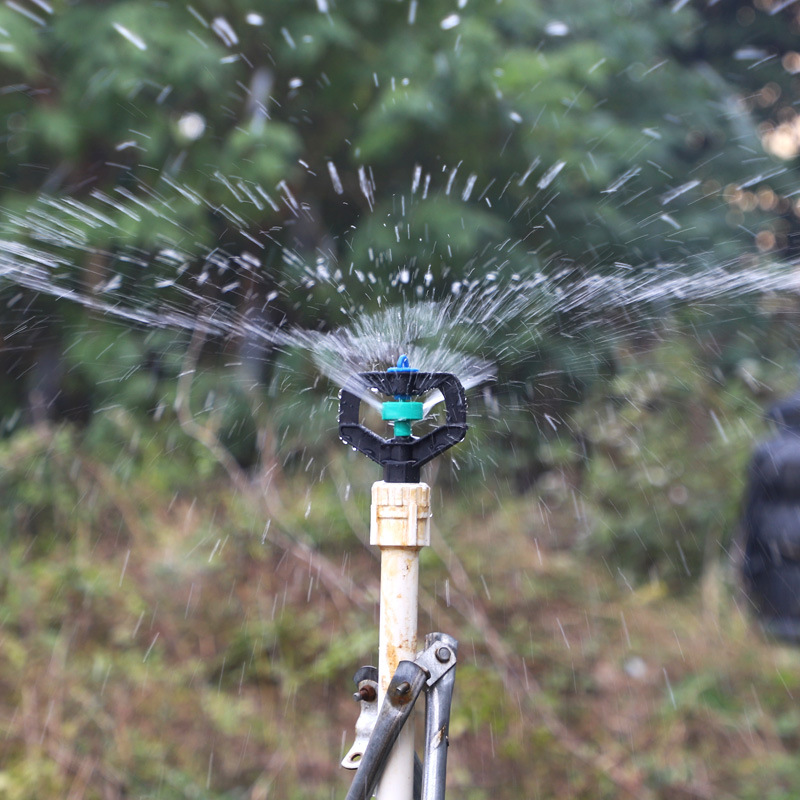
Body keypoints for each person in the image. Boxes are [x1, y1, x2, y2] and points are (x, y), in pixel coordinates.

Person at [742, 392, 800, 641]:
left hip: (774, 540)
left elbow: (753, 506)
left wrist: (749, 558)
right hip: (780, 540)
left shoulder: (766, 452)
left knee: (776, 622)